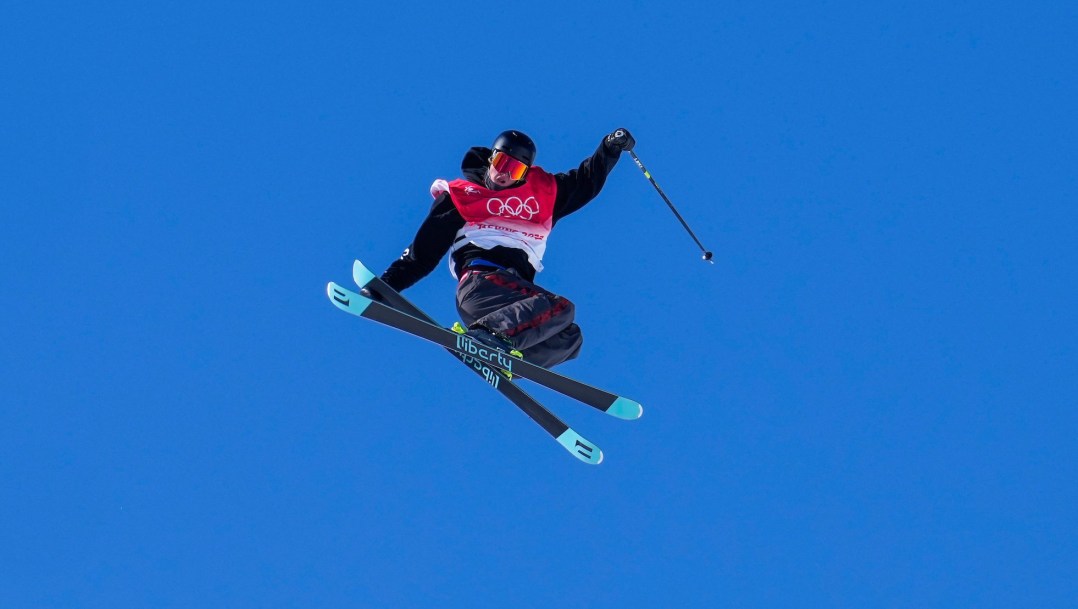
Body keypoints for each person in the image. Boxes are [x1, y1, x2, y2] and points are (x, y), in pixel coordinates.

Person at [372, 128, 636, 369]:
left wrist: (609, 147)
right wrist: (383, 286)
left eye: (516, 171)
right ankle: (488, 337)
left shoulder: (543, 195)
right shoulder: (462, 196)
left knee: (570, 338)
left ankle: (502, 358)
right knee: (561, 307)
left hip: (514, 304)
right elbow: (422, 256)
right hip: (482, 285)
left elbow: (586, 180)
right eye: (501, 163)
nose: (505, 175)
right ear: (491, 159)